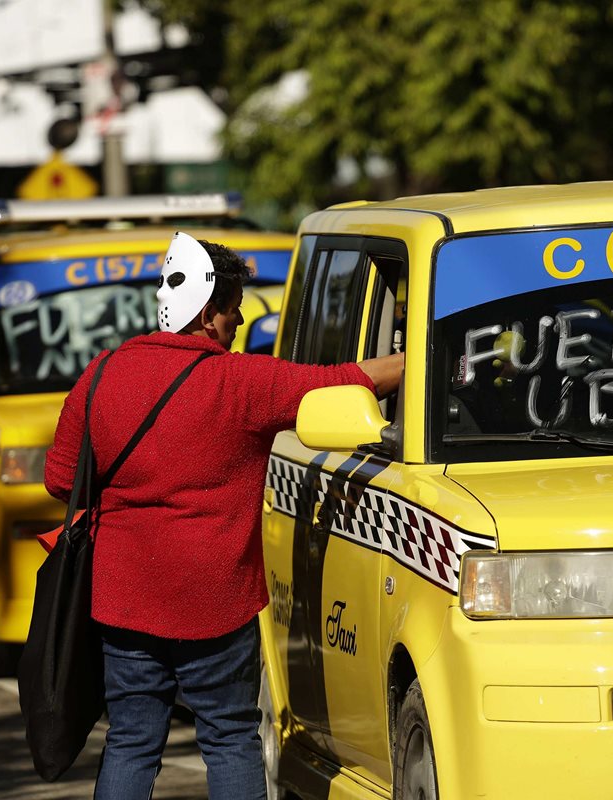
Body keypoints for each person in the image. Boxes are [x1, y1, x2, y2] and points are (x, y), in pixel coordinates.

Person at [44, 232, 403, 800]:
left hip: (123, 599)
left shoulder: (101, 374)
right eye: (234, 313)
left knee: (132, 741)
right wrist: (423, 356)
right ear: (209, 312)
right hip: (215, 600)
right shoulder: (242, 383)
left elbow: (60, 480)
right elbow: (349, 381)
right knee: (230, 737)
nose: (236, 326)